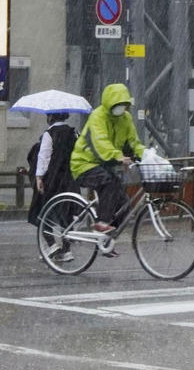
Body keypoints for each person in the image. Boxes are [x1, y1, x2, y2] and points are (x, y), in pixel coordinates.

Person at [70, 84, 147, 248]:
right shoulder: (98, 116)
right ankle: (101, 223)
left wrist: (147, 155)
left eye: (123, 104)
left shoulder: (126, 119)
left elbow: (134, 142)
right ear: (109, 103)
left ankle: (107, 241)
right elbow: (101, 143)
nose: (120, 108)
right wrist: (119, 157)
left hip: (103, 164)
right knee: (109, 183)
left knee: (124, 205)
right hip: (83, 163)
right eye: (117, 104)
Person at [27, 112, 79, 263]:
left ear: (51, 117)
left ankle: (51, 245)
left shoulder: (49, 134)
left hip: (53, 179)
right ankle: (67, 250)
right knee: (67, 214)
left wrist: (38, 177)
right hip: (70, 179)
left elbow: (44, 156)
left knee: (43, 212)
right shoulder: (74, 133)